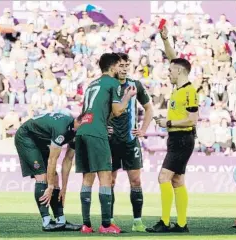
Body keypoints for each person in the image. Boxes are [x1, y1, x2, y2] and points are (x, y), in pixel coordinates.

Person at [75, 53, 137, 234]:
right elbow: (118, 111)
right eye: (119, 65)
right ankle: (106, 225)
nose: (121, 69)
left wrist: (104, 123)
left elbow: (93, 110)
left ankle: (86, 225)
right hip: (96, 133)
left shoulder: (91, 84)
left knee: (87, 178)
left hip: (83, 131)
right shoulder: (114, 83)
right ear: (112, 67)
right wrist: (128, 96)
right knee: (105, 177)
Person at [147, 26, 199, 233]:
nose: (168, 72)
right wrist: (166, 39)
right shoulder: (179, 87)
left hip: (182, 139)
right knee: (177, 180)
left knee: (163, 178)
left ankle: (165, 222)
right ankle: (182, 224)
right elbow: (173, 58)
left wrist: (168, 123)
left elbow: (193, 119)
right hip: (177, 139)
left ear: (179, 72)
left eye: (170, 70)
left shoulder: (190, 91)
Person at [108, 53, 153, 232]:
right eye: (121, 65)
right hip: (110, 142)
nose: (125, 68)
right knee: (109, 182)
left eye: (127, 65)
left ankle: (137, 221)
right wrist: (104, 126)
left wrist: (143, 129)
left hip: (130, 141)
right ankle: (109, 221)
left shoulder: (136, 85)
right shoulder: (107, 86)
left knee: (135, 181)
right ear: (114, 66)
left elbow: (149, 108)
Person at [14, 112, 81, 231]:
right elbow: (52, 160)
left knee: (54, 178)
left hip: (41, 141)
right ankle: (46, 222)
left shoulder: (77, 132)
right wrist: (49, 186)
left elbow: (68, 160)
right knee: (42, 176)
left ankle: (61, 221)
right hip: (26, 137)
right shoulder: (62, 129)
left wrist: (64, 188)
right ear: (79, 122)